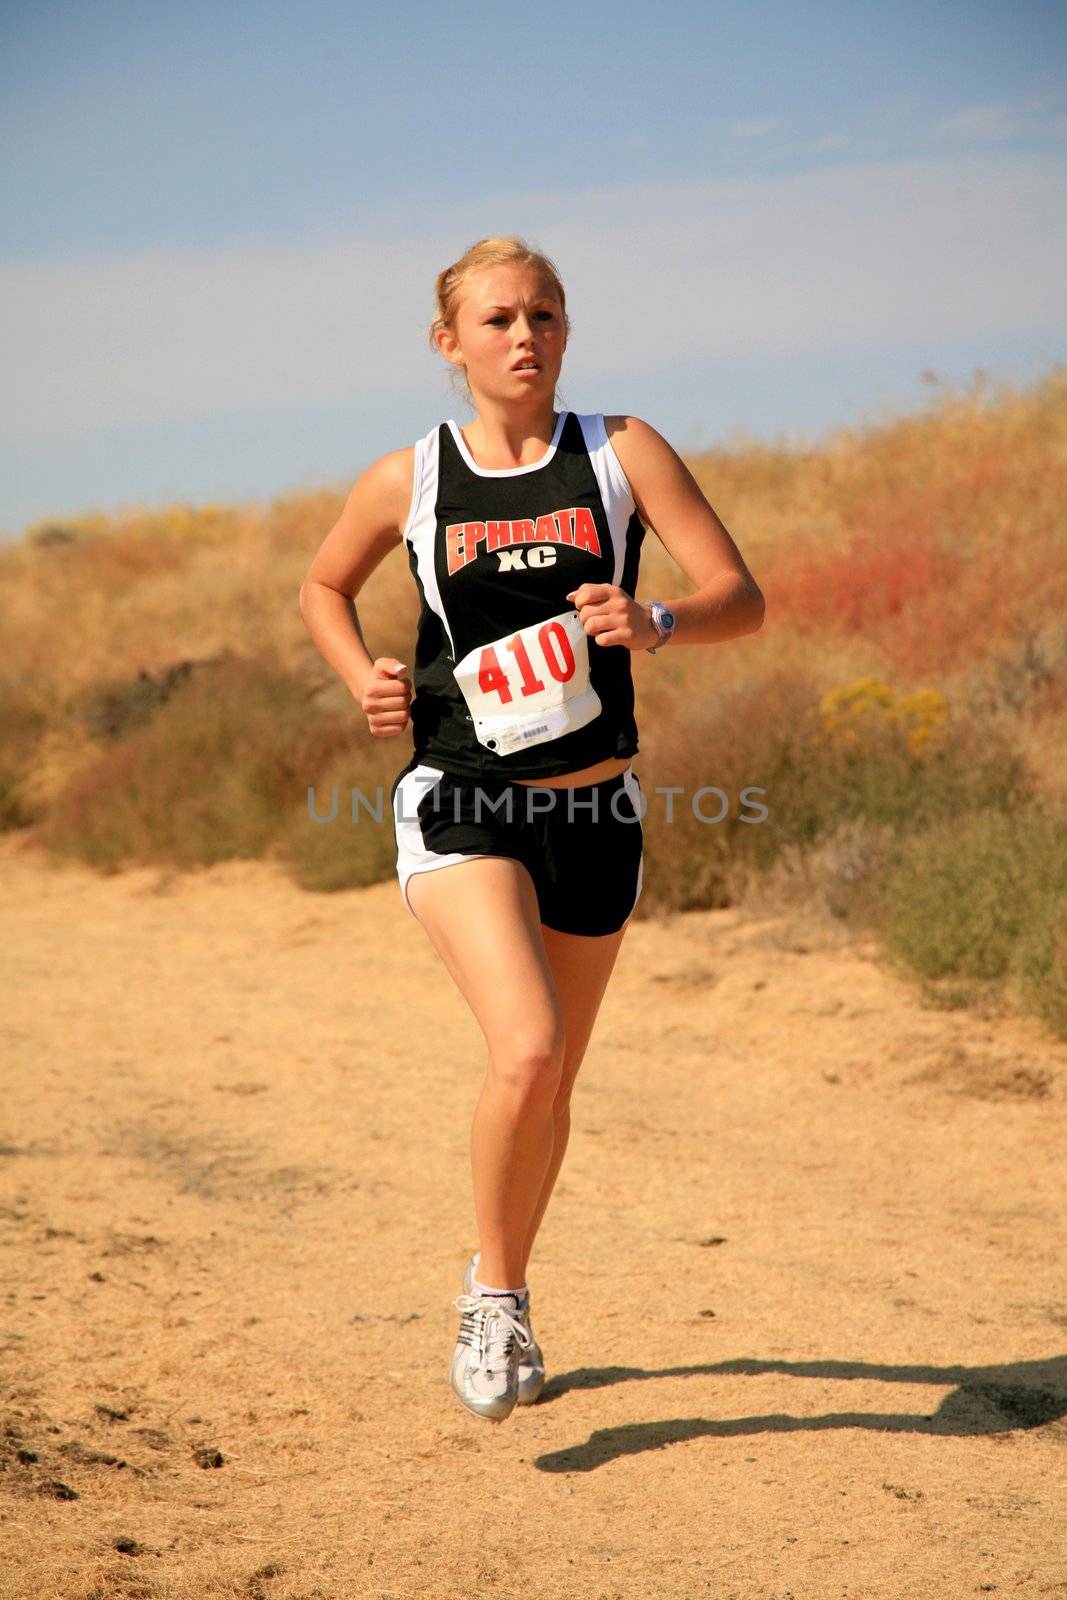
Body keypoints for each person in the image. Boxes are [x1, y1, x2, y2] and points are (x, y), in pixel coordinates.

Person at [298, 236, 764, 1425]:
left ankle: (499, 1273)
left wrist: (655, 617)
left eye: (543, 315)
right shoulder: (410, 478)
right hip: (461, 798)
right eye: (498, 318)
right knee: (525, 1047)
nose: (524, 335)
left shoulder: (620, 452)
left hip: (597, 806)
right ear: (448, 343)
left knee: (553, 1081)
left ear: (566, 331)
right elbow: (323, 585)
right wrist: (363, 675)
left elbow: (738, 597)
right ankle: (494, 1299)